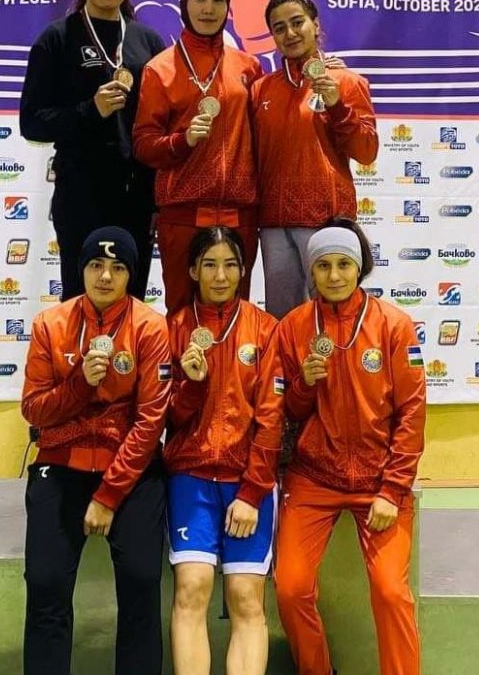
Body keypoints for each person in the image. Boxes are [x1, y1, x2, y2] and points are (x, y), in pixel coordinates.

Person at [273, 221, 426, 675]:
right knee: (290, 588)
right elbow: (287, 410)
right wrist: (304, 384)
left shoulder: (393, 325)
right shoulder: (294, 327)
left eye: (344, 264)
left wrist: (392, 489)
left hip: (379, 480)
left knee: (391, 591)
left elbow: (412, 411)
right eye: (323, 266)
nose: (334, 275)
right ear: (311, 271)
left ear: (359, 268)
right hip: (314, 478)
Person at [20, 226, 171, 675]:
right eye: (96, 265)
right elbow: (34, 409)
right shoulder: (50, 324)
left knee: (142, 580)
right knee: (45, 584)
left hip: (129, 471)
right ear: (81, 269)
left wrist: (108, 496)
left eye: (118, 267)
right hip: (61, 464)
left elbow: (151, 421)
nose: (105, 276)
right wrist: (80, 384)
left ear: (131, 275)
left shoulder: (150, 326)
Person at [164, 226, 284, 675]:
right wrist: (193, 386)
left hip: (246, 480)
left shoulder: (265, 329)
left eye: (231, 265)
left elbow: (271, 418)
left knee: (246, 596)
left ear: (243, 270)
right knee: (191, 587)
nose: (220, 276)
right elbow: (167, 418)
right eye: (210, 265)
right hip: (191, 477)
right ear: (193, 270)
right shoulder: (174, 328)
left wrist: (252, 493)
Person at [20, 0, 165, 301]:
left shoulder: (148, 42)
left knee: (131, 304)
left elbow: (162, 124)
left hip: (136, 197)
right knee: (80, 301)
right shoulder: (56, 39)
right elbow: (31, 122)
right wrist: (90, 110)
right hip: (80, 195)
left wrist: (157, 197)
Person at [133, 0, 263, 314]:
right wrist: (182, 140)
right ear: (184, 2)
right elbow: (143, 145)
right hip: (183, 215)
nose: (208, 8)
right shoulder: (160, 69)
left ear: (229, 7)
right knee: (181, 313)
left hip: (239, 215)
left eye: (218, 0)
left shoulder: (248, 67)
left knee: (235, 313)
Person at [251, 0, 378, 319]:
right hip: (274, 223)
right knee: (283, 321)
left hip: (326, 219)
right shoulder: (261, 90)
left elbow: (366, 152)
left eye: (297, 22)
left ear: (315, 24)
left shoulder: (347, 82)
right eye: (279, 28)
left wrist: (338, 106)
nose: (290, 33)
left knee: (332, 317)